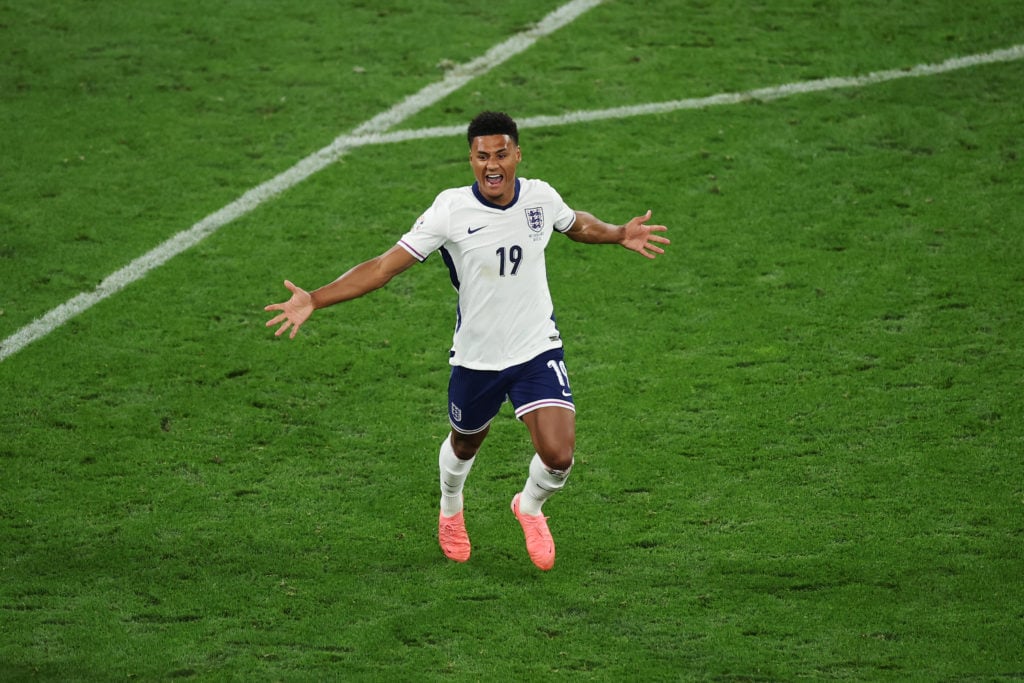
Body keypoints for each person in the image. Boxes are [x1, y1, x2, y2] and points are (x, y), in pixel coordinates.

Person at [265, 111, 668, 571]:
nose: (492, 165)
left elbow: (574, 223)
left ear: (517, 154)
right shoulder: (451, 211)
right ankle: (451, 506)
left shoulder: (540, 197)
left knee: (559, 456)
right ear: (470, 159)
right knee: (465, 443)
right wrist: (315, 299)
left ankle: (530, 507)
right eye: (482, 157)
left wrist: (618, 234)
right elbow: (382, 268)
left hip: (536, 347)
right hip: (478, 357)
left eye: (501, 154)